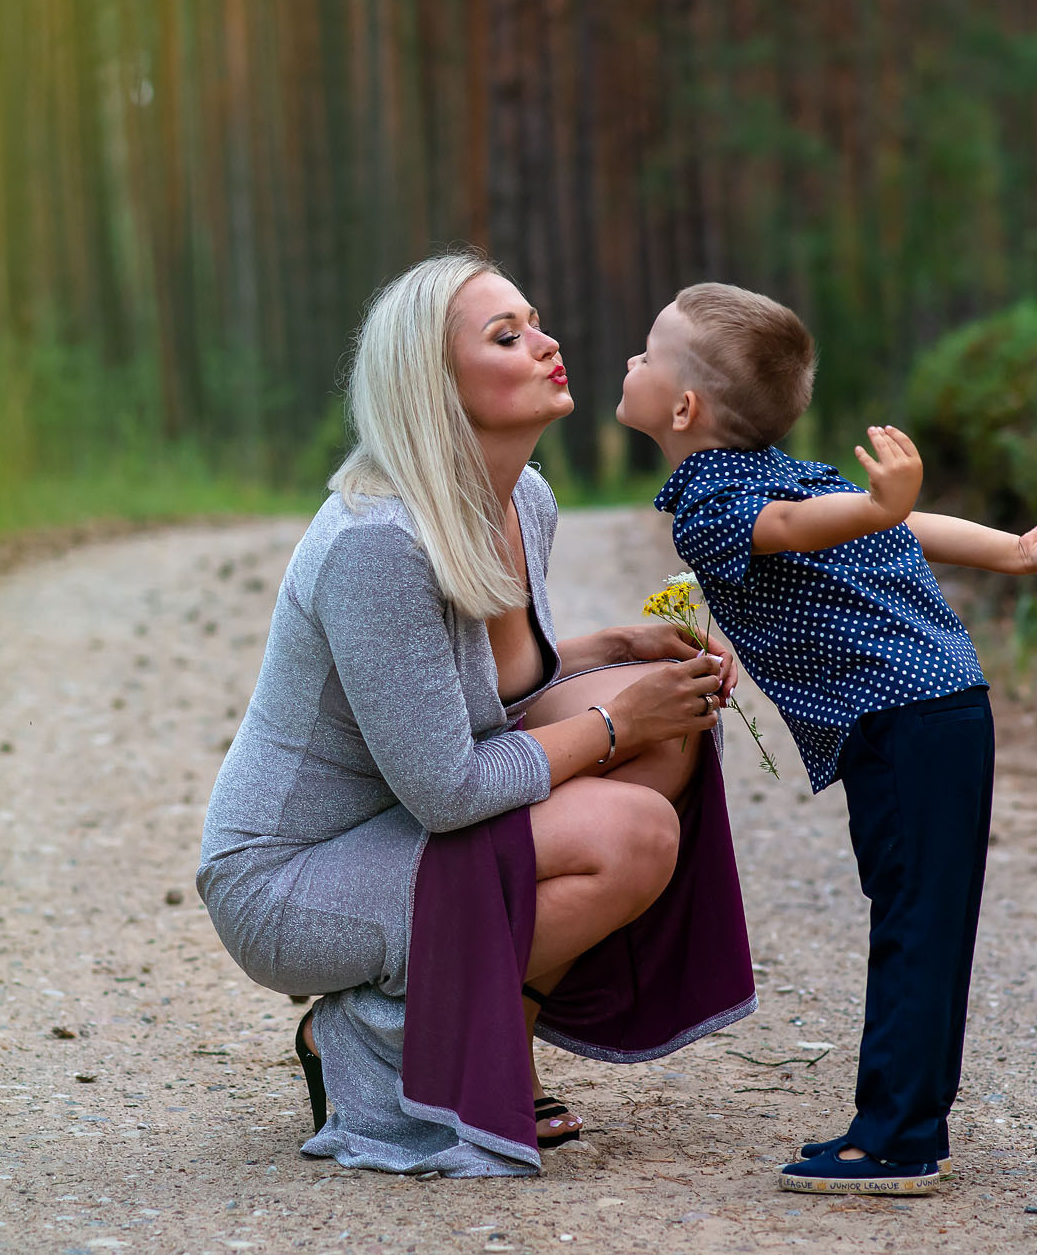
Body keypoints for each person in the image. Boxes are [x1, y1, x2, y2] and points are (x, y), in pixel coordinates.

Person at [197, 249, 753, 1177]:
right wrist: (619, 722)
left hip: (405, 827)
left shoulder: (524, 499)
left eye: (536, 323)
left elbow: (479, 694)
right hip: (294, 878)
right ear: (434, 383)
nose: (546, 344)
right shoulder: (377, 543)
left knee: (672, 734)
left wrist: (615, 651)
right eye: (507, 336)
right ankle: (364, 1034)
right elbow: (448, 789)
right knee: (633, 832)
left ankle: (503, 1044)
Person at [615, 281, 1037, 1196]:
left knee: (914, 921)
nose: (630, 360)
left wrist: (907, 519)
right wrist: (1007, 548)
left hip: (906, 718)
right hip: (936, 707)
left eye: (647, 350)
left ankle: (896, 1140)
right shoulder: (783, 476)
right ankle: (908, 1124)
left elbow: (815, 527)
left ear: (683, 408)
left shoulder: (717, 502)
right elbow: (888, 522)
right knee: (924, 918)